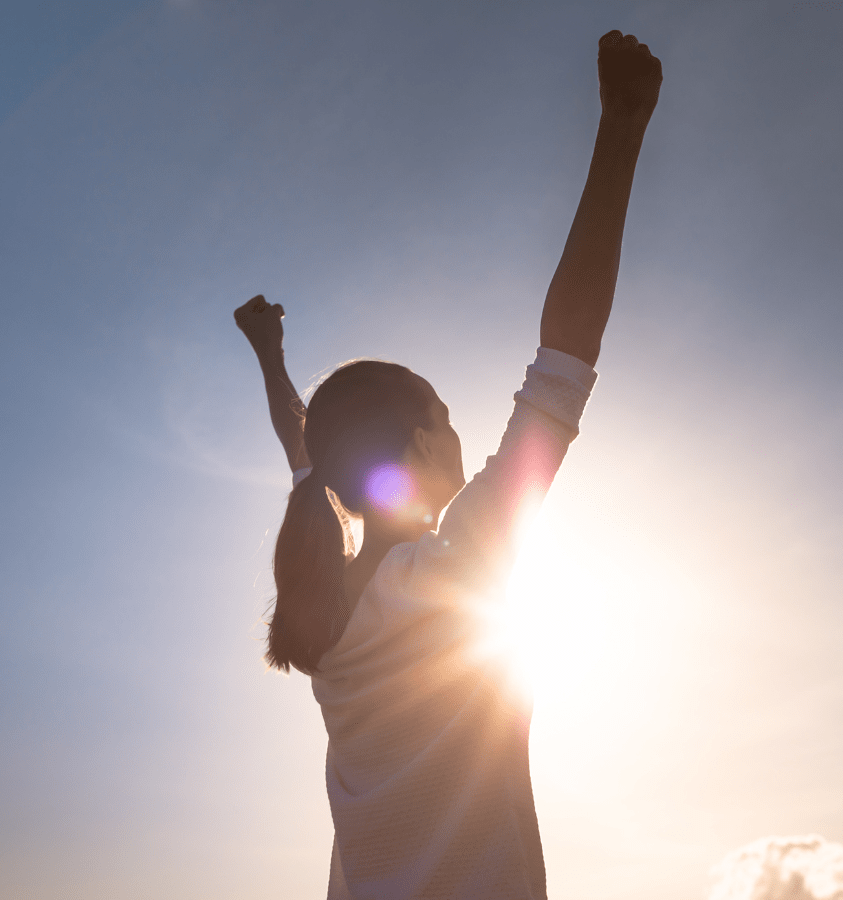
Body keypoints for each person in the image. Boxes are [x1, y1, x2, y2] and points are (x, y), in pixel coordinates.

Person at [235, 30, 661, 900]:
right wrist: (620, 133)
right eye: (449, 417)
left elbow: (300, 450)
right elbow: (565, 356)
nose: (465, 436)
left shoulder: (325, 619)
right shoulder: (458, 563)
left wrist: (271, 357)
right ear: (425, 445)